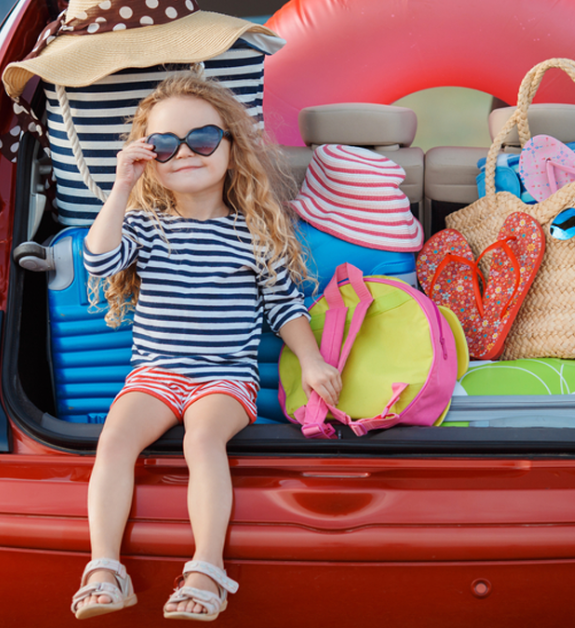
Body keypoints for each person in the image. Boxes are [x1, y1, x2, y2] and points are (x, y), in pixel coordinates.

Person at [71, 72, 342, 622]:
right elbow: (96, 261)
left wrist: (311, 360)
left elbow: (284, 307)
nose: (186, 153)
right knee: (115, 440)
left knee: (202, 440)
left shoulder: (253, 233)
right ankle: (104, 568)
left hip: (224, 378)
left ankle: (207, 571)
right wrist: (120, 186)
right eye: (164, 145)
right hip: (154, 373)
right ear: (149, 159)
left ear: (230, 145)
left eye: (202, 139)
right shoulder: (146, 228)